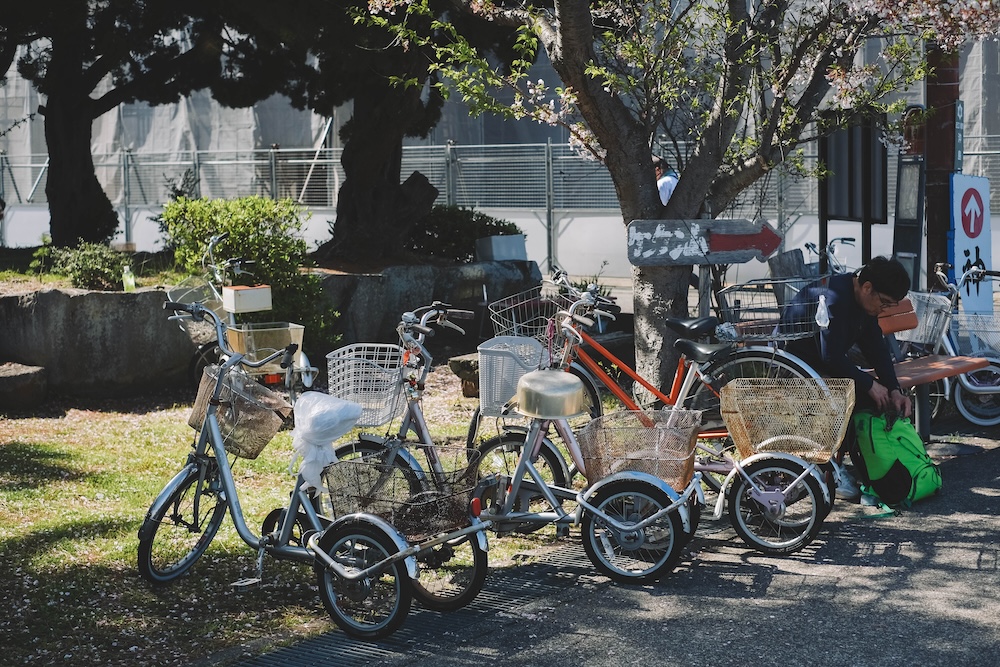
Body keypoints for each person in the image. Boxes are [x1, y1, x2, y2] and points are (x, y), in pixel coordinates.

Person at [782, 256, 912, 499]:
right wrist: (869, 384)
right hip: (797, 368)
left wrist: (894, 389)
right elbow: (829, 356)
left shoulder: (863, 301)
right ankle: (829, 469)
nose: (882, 310)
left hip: (822, 365)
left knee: (876, 398)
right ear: (867, 287)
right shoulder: (836, 299)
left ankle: (869, 470)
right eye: (883, 303)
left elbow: (876, 347)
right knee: (858, 396)